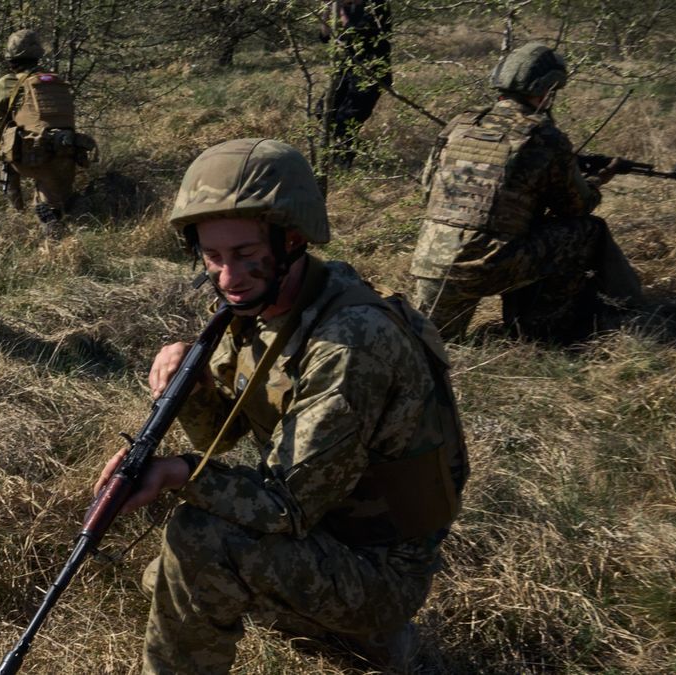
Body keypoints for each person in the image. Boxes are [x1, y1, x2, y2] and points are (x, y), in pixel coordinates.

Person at [94, 138, 468, 673]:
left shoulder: (350, 342)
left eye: (245, 255)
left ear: (293, 241)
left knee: (200, 541)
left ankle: (374, 629)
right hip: (330, 526)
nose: (227, 277)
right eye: (213, 257)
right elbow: (220, 437)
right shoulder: (258, 302)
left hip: (380, 563)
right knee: (165, 576)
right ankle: (353, 636)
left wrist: (178, 474)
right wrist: (194, 385)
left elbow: (286, 506)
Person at [410, 41, 642, 343]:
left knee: (433, 347)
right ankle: (543, 328)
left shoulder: (460, 125)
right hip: (490, 265)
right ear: (547, 90)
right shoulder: (545, 136)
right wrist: (596, 181)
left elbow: (427, 190)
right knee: (588, 231)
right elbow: (576, 207)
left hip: (432, 262)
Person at [0, 29, 94, 239]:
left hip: (29, 155)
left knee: (6, 148)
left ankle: (16, 212)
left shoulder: (8, 82)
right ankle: (53, 217)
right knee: (52, 193)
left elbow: (3, 114)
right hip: (67, 152)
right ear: (38, 55)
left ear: (10, 58)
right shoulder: (56, 81)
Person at [318, 0, 392, 168]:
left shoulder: (376, 5)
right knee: (322, 111)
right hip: (347, 69)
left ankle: (342, 166)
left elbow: (351, 31)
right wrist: (327, 9)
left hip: (371, 72)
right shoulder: (342, 5)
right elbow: (325, 36)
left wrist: (339, 7)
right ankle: (343, 154)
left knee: (347, 120)